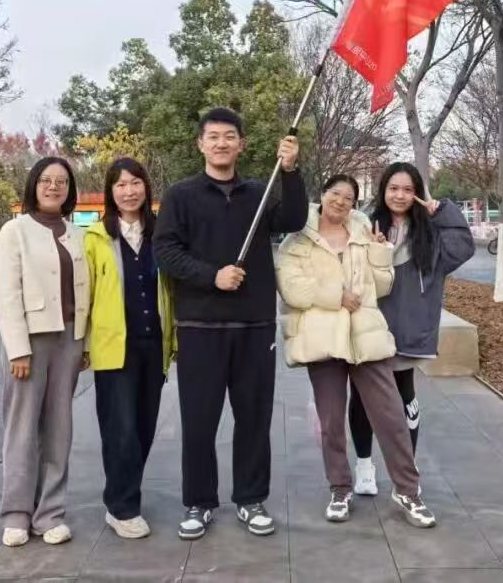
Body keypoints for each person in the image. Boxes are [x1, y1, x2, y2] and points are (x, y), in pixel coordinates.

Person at [153, 107, 308, 541]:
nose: (221, 143)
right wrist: (212, 276)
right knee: (199, 421)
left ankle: (251, 498)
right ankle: (199, 502)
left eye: (229, 136)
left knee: (254, 419)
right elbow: (165, 250)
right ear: (200, 145)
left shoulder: (260, 191)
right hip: (200, 328)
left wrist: (291, 172)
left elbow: (293, 220)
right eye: (213, 137)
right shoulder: (181, 196)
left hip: (254, 327)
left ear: (241, 144)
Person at [276, 174, 437, 528]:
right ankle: (340, 488)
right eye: (335, 193)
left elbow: (382, 286)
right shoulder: (297, 238)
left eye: (349, 197)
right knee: (331, 422)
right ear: (322, 195)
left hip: (366, 336)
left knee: (391, 417)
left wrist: (380, 252)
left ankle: (407, 490)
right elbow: (291, 288)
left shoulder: (364, 230)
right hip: (322, 338)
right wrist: (337, 296)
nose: (341, 201)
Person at [348, 162, 475, 495]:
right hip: (368, 327)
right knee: (361, 397)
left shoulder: (429, 234)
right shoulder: (365, 226)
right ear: (383, 191)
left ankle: (407, 469)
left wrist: (443, 212)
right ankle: (364, 466)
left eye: (408, 189)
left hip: (408, 328)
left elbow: (463, 247)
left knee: (405, 394)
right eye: (393, 188)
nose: (400, 195)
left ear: (417, 194)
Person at [0, 157, 90, 548]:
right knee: (22, 427)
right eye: (46, 180)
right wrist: (18, 349)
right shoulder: (14, 231)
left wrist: (84, 343)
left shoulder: (77, 234)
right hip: (30, 342)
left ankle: (50, 513)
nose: (53, 187)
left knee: (58, 429)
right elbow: (6, 294)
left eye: (62, 181)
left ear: (70, 189)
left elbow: (86, 293)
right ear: (34, 185)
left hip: (69, 340)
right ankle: (16, 513)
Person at [84, 157, 175, 540]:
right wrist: (83, 344)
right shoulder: (95, 238)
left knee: (144, 427)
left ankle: (124, 493)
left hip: (153, 345)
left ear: (146, 187)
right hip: (113, 347)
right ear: (111, 191)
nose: (129, 191)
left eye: (135, 183)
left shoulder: (162, 235)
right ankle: (122, 507)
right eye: (120, 184)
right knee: (120, 428)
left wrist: (175, 340)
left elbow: (172, 291)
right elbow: (85, 295)